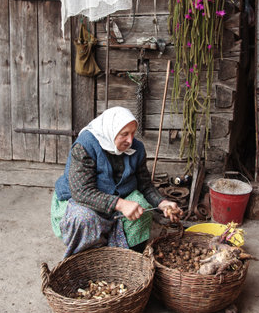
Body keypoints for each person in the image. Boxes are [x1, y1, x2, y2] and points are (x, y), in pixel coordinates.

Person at [51, 106, 183, 258]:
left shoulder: (137, 148)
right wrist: (120, 204)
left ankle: (128, 258)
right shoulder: (85, 146)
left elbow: (145, 185)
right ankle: (86, 259)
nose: (130, 140)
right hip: (80, 200)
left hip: (118, 196)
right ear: (111, 131)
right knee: (85, 218)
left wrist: (162, 203)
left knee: (142, 209)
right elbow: (82, 192)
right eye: (124, 134)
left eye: (133, 133)